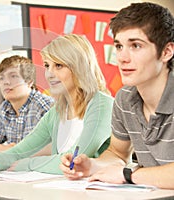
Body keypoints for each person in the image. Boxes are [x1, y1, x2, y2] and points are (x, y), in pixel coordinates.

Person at [60, 2, 174, 189]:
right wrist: (91, 165)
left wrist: (128, 174)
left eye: (136, 45)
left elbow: (125, 170)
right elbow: (118, 153)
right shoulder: (125, 99)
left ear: (166, 52)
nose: (122, 57)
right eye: (119, 46)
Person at [0, 34, 114, 175]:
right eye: (47, 66)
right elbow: (21, 150)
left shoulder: (102, 105)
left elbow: (75, 161)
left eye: (58, 66)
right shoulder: (57, 111)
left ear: (79, 68)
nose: (49, 74)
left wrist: (28, 164)